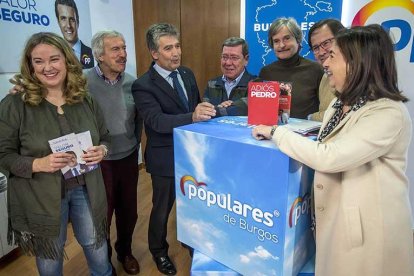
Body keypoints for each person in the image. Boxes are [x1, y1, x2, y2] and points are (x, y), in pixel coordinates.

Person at [252, 24, 414, 276]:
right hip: (333, 222)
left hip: (367, 235)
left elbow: (329, 156)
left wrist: (276, 131)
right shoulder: (340, 104)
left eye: (332, 56)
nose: (324, 63)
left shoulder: (388, 112)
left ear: (357, 62)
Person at [0, 32, 111, 275]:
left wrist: (101, 150)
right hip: (40, 195)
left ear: (67, 60)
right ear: (30, 65)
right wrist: (38, 163)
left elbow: (104, 137)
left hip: (86, 189)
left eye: (54, 59)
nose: (47, 67)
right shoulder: (15, 104)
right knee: (50, 262)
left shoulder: (84, 99)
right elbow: (3, 154)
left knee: (98, 251)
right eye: (38, 61)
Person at [131, 23, 216, 275]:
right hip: (164, 158)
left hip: (192, 153)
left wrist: (208, 110)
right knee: (161, 209)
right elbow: (156, 122)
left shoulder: (187, 73)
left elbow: (196, 107)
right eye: (168, 48)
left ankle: (192, 244)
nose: (176, 52)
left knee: (193, 204)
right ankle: (158, 252)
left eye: (177, 46)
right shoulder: (143, 85)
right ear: (154, 53)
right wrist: (193, 115)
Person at [87, 30, 142, 275]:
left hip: (128, 157)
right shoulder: (82, 84)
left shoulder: (132, 82)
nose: (123, 54)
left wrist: (138, 146)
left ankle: (125, 252)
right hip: (100, 162)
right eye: (115, 50)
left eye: (124, 48)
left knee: (128, 211)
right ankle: (104, 259)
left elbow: (138, 120)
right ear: (99, 55)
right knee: (102, 214)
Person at [259, 17, 324, 119]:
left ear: (298, 40)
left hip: (306, 133)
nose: (282, 45)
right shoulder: (266, 72)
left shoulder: (316, 70)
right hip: (272, 132)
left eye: (287, 38)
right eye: (276, 41)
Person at [203, 37, 256, 116]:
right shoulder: (212, 84)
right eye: (224, 57)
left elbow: (245, 110)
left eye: (234, 58)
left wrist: (217, 109)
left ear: (246, 60)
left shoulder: (256, 85)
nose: (228, 63)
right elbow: (204, 112)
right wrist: (222, 107)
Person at [307, 18, 345, 121]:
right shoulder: (325, 76)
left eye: (326, 43)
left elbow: (341, 114)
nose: (321, 52)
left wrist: (310, 118)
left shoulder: (356, 74)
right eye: (316, 48)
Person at [55, 0, 94, 69]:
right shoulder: (55, 54)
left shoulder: (93, 53)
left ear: (78, 22)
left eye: (72, 19)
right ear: (58, 22)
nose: (68, 25)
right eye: (63, 19)